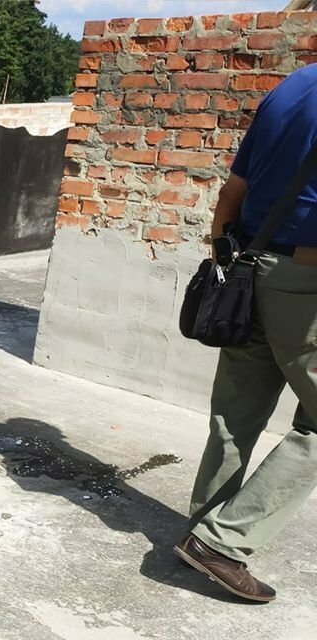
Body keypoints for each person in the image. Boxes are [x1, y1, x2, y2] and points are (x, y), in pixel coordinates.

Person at [176, 64, 317, 603]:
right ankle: (220, 543)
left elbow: (233, 191)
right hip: (306, 280)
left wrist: (225, 259)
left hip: (250, 266)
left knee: (235, 414)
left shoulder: (290, 88)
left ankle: (200, 533)